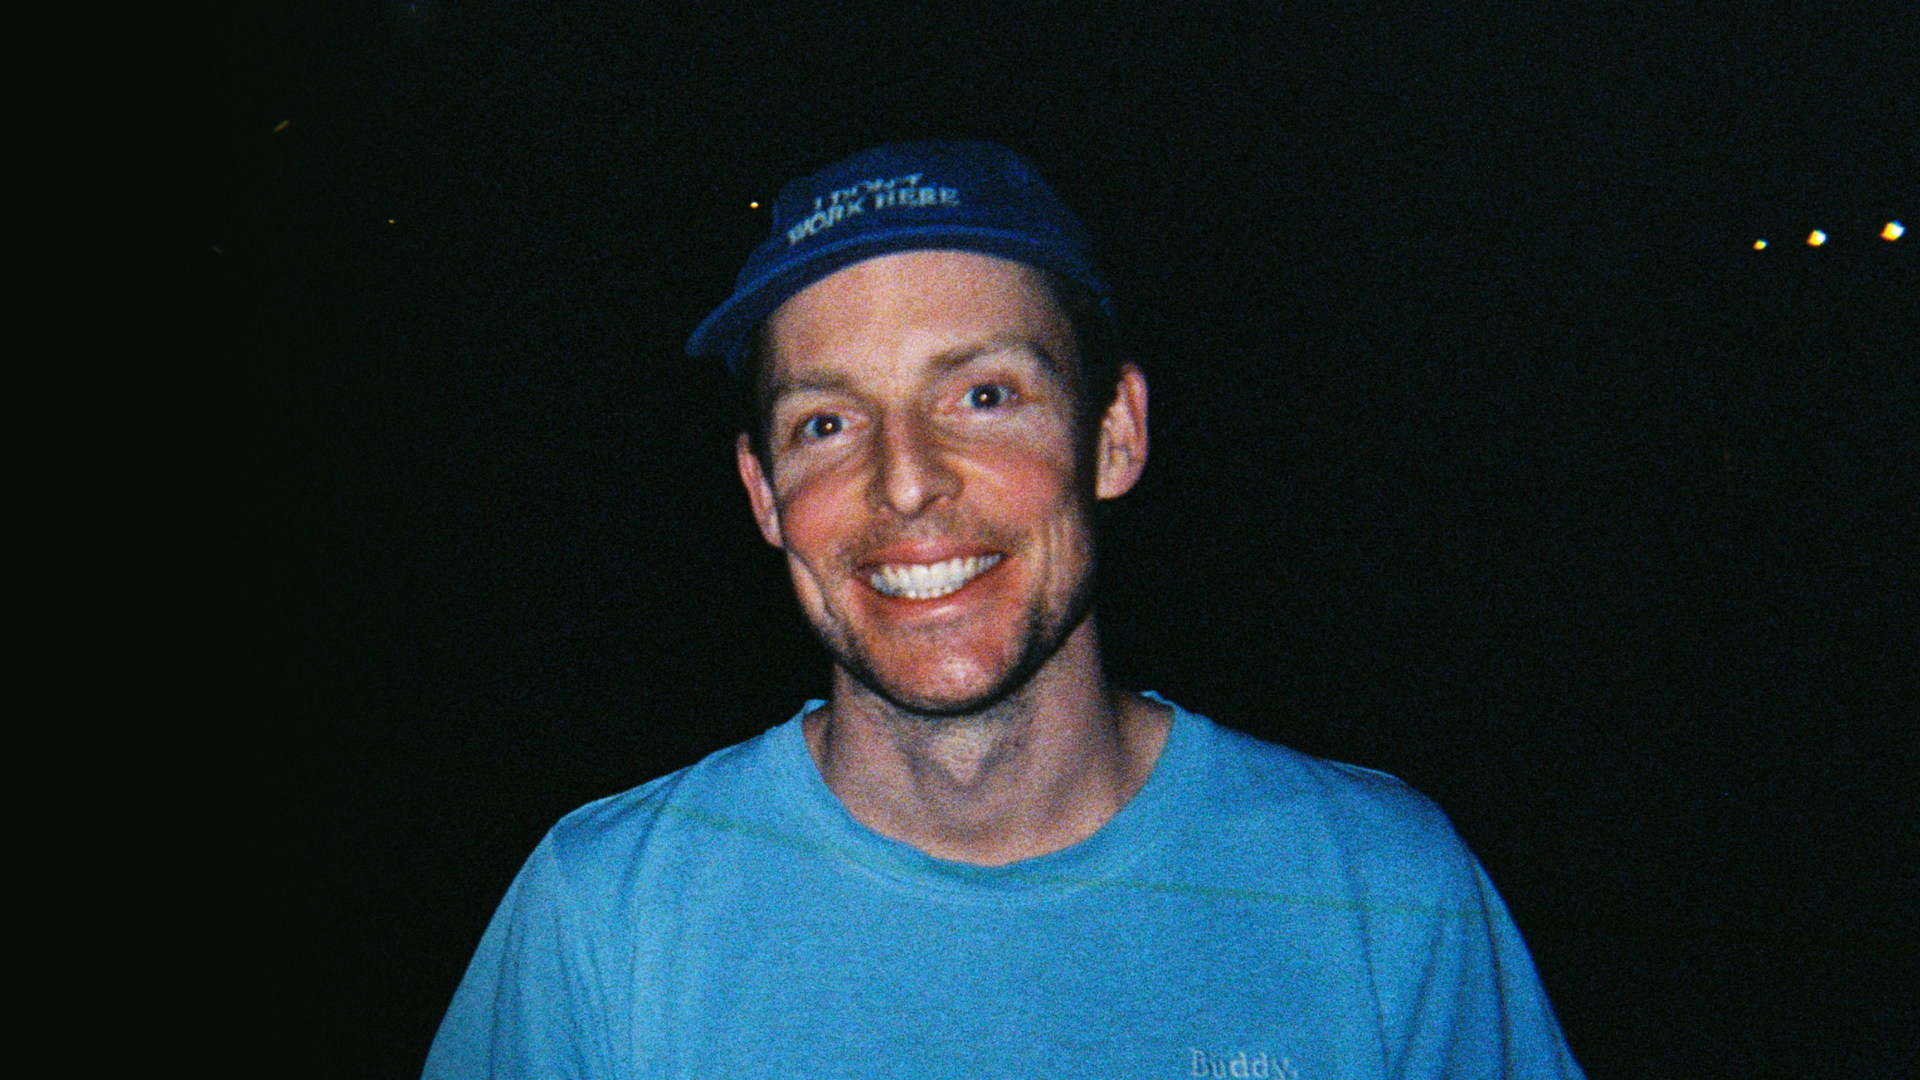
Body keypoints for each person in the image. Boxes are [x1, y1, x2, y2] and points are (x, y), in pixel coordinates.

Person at [424, 141, 1586, 1078]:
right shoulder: (605, 914)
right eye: (826, 423)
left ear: (1113, 435)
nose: (909, 479)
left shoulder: (1379, 895)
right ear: (763, 494)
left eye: (984, 395)